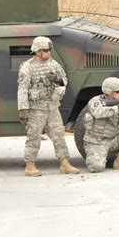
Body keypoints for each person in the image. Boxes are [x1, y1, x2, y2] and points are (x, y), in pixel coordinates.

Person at [17, 36, 79, 177]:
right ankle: (30, 166)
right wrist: (23, 109)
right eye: (45, 50)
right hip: (36, 108)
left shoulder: (54, 64)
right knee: (34, 136)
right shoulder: (27, 67)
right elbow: (22, 89)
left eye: (49, 50)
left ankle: (65, 163)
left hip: (52, 106)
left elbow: (64, 80)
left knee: (59, 135)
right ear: (37, 51)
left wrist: (57, 79)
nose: (48, 53)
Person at [83, 77, 119, 173]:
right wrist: (117, 109)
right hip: (95, 142)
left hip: (113, 140)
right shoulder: (95, 101)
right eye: (117, 91)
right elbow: (98, 113)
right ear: (109, 92)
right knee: (96, 167)